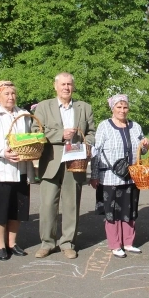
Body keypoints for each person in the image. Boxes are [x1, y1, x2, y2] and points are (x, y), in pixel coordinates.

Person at [33, 72, 96, 259]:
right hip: (51, 161)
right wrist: (60, 135)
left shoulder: (84, 107)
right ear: (55, 86)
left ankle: (67, 243)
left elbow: (92, 133)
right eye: (63, 84)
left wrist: (87, 144)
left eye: (69, 84)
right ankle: (47, 243)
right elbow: (36, 132)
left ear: (73, 87)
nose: (66, 87)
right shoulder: (44, 107)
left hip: (75, 163)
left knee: (71, 205)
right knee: (47, 205)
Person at [0, 80, 34, 261]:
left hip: (21, 168)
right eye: (6, 94)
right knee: (0, 210)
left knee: (17, 209)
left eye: (13, 94)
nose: (11, 97)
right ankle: (0, 245)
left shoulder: (23, 114)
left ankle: (13, 242)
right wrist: (3, 152)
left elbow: (30, 137)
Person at [90, 94, 149, 258]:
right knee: (112, 211)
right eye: (119, 107)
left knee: (129, 209)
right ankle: (115, 244)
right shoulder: (104, 126)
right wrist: (94, 175)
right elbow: (96, 151)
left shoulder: (135, 126)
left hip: (131, 176)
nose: (122, 110)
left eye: (125, 107)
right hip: (109, 177)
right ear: (112, 108)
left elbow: (142, 151)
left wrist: (145, 145)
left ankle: (129, 242)